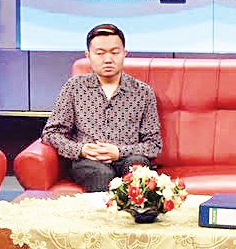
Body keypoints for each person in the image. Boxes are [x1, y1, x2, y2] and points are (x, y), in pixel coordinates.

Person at [42, 23, 162, 192]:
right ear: (88, 55)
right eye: (100, 53)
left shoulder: (143, 92)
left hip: (128, 156)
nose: (108, 59)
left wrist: (119, 152)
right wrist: (81, 149)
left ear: (124, 54)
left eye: (114, 52)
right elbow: (51, 133)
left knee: (138, 167)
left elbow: (153, 144)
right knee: (101, 174)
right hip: (88, 161)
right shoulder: (74, 87)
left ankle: (139, 208)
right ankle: (104, 210)